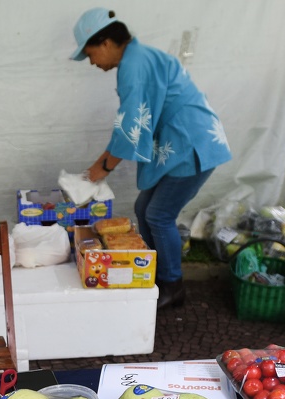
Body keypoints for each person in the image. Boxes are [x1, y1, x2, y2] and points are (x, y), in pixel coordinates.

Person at [72, 8, 231, 309]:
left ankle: (172, 286)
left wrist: (98, 170)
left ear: (105, 42)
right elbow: (130, 125)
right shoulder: (138, 58)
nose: (92, 62)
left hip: (191, 146)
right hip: (185, 142)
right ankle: (152, 274)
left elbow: (131, 128)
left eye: (90, 53)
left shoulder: (135, 66)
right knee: (143, 207)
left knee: (159, 215)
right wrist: (100, 167)